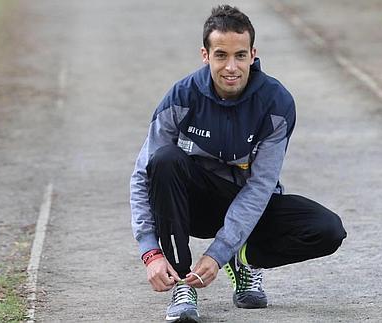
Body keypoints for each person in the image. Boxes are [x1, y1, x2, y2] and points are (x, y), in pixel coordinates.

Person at [130, 4, 347, 322]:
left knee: (327, 230)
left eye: (240, 55)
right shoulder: (180, 98)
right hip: (194, 206)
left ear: (252, 54)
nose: (231, 67)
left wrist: (221, 253)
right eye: (221, 55)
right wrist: (150, 251)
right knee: (164, 160)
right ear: (206, 56)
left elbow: (261, 186)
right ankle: (182, 284)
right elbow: (141, 175)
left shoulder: (276, 103)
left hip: (249, 206)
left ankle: (244, 259)